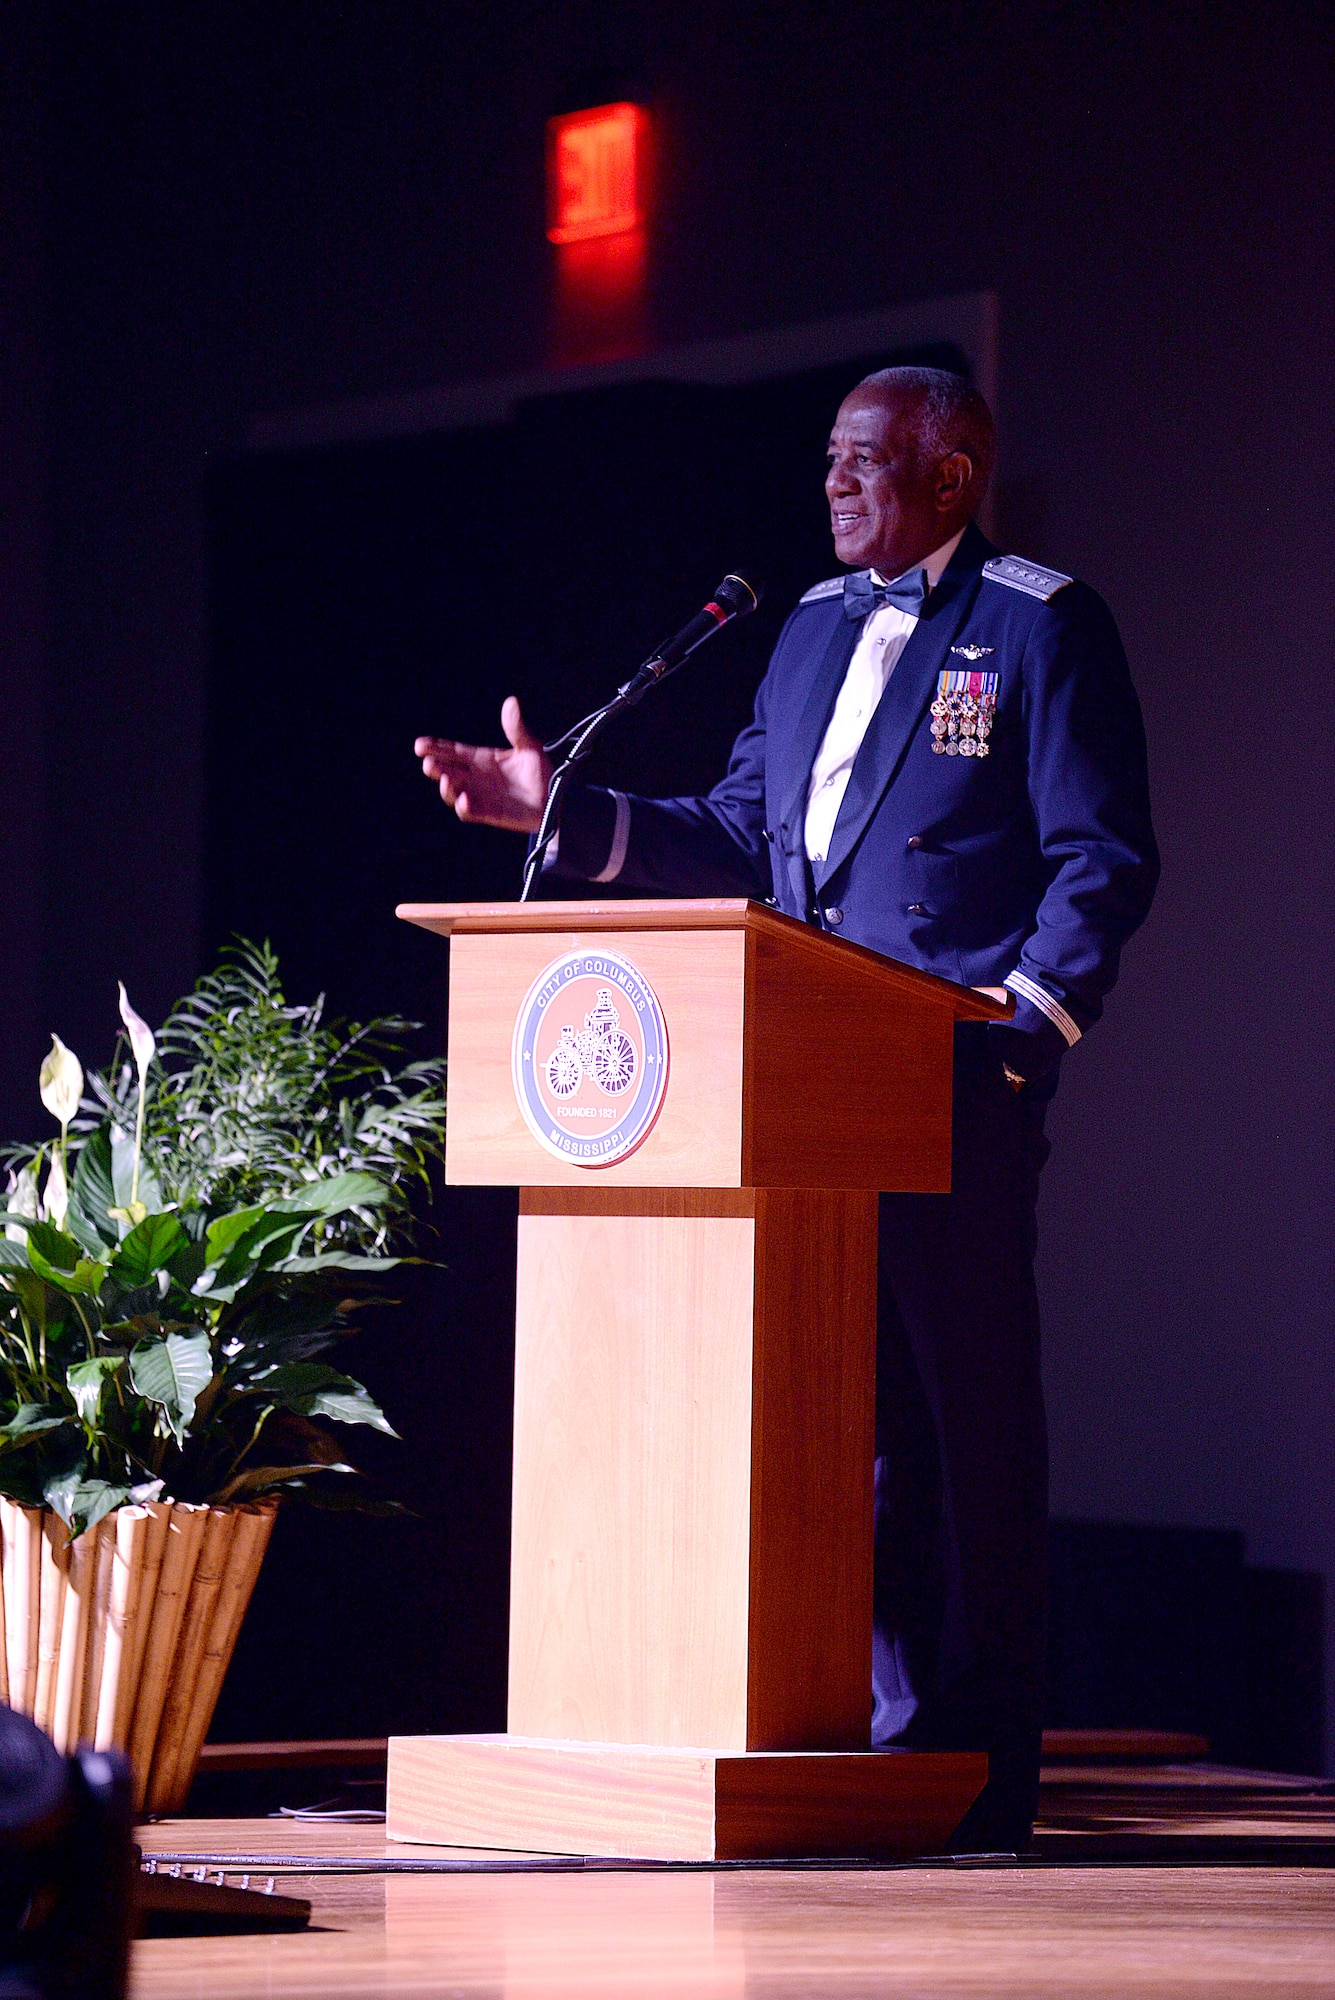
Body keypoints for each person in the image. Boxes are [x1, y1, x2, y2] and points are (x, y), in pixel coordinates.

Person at [415, 366, 1159, 1851]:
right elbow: (740, 837)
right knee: (844, 1431)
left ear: (952, 477)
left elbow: (1104, 858)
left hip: (951, 1083)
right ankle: (869, 1741)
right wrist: (555, 808)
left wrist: (1029, 1027)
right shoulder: (809, 633)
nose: (832, 484)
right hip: (800, 1098)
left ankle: (979, 1759)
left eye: (866, 461)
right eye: (827, 459)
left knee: (964, 1429)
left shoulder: (1036, 621)